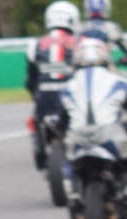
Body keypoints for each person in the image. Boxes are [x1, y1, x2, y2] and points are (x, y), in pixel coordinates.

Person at [59, 37, 127, 219]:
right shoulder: (119, 81)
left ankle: (73, 197)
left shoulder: (67, 87)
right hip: (110, 136)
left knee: (68, 161)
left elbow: (62, 121)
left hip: (78, 137)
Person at [25, 1, 80, 170]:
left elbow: (31, 80)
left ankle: (40, 150)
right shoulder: (79, 42)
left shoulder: (35, 44)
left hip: (45, 99)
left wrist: (37, 96)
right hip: (73, 97)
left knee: (36, 119)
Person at [80, 0, 127, 73]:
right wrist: (125, 60)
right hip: (106, 69)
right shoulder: (112, 27)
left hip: (81, 68)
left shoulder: (79, 27)